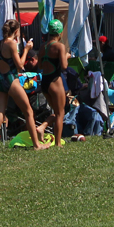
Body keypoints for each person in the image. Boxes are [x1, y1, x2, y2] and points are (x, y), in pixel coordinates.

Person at [0, 19, 47, 155]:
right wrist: (26, 50)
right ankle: (37, 145)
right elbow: (20, 66)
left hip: (0, 79)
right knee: (28, 112)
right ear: (16, 32)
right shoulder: (12, 44)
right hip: (11, 78)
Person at [40, 19, 70, 147]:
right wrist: (67, 57)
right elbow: (63, 66)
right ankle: (58, 143)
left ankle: (42, 127)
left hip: (44, 81)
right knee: (60, 113)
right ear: (60, 33)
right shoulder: (60, 46)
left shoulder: (43, 46)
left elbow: (40, 64)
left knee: (58, 111)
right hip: (54, 81)